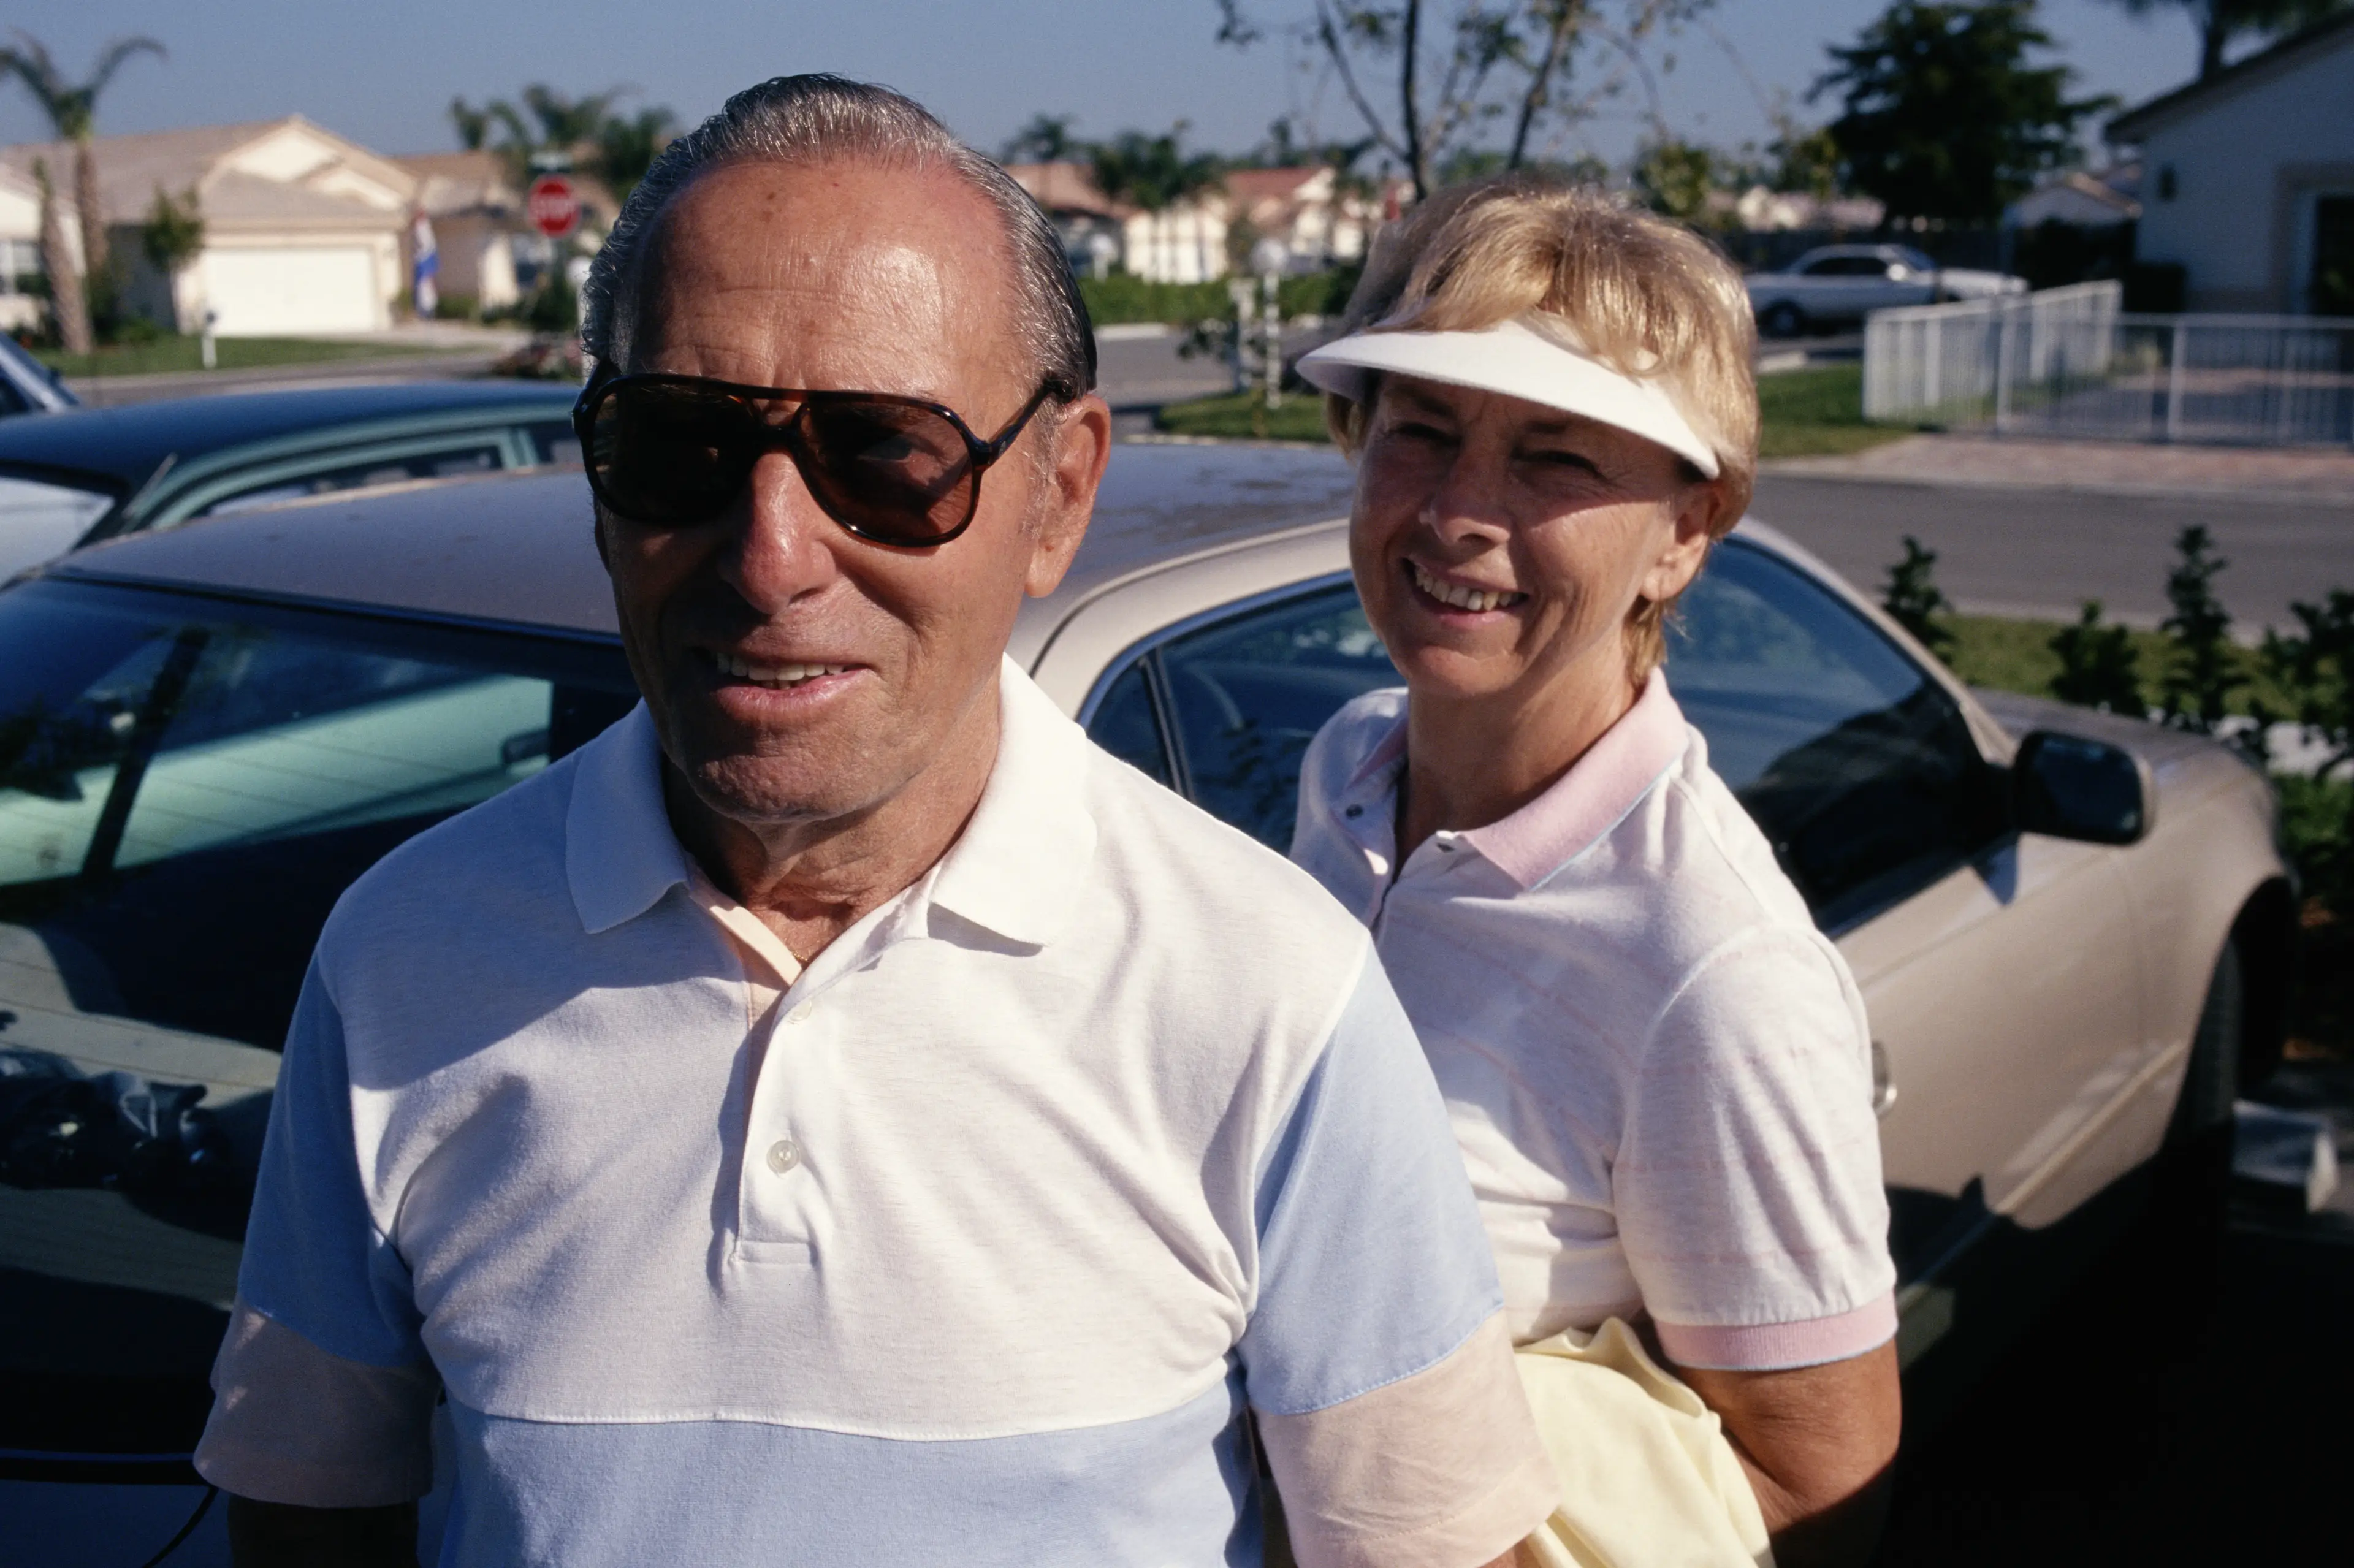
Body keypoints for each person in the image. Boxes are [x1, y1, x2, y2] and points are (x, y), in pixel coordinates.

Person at [192, 77, 1558, 1568]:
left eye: (889, 456)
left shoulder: (1269, 992)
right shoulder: (402, 954)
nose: (772, 555)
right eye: (676, 444)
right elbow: (308, 1513)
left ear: (1060, 493)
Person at [1289, 177, 1903, 1568]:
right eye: (1423, 431)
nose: (1456, 510)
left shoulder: (1710, 969)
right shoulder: (1345, 769)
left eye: (1557, 459)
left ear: (1686, 528)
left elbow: (1820, 1486)